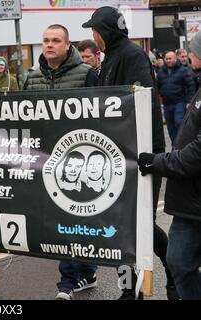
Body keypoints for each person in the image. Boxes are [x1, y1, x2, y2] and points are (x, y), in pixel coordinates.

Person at [82, 6, 178, 300]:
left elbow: (142, 102)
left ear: (106, 32)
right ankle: (128, 288)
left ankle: (174, 272)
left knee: (140, 226)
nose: (93, 37)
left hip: (140, 155)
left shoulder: (132, 56)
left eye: (95, 31)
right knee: (122, 226)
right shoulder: (110, 58)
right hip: (116, 155)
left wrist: (142, 152)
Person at [23, 24, 98, 300]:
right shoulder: (31, 77)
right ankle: (82, 273)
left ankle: (70, 280)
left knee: (79, 218)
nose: (50, 45)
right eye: (45, 40)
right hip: (47, 160)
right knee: (63, 218)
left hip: (80, 157)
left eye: (56, 40)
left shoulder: (88, 75)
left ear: (68, 45)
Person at [137, 30, 201, 300]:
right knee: (179, 263)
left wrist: (155, 162)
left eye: (193, 51)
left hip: (195, 198)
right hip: (190, 203)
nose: (190, 55)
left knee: (181, 263)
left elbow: (195, 155)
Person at [157, 51, 196, 143]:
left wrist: (189, 101)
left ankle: (182, 143)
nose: (168, 60)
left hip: (179, 102)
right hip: (167, 104)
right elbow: (157, 86)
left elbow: (191, 85)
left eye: (170, 58)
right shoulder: (161, 72)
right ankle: (175, 145)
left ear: (175, 58)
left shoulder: (183, 70)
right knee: (170, 128)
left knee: (179, 123)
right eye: (166, 59)